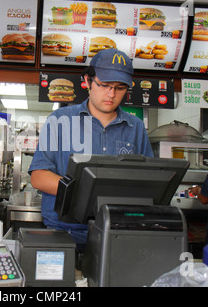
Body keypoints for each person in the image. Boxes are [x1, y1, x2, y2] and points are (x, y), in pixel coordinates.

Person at [29, 48, 154, 249]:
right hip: (64, 233)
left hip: (117, 234)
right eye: (104, 85)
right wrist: (90, 191)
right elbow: (39, 177)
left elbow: (150, 181)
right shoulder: (59, 120)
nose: (111, 94)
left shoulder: (136, 127)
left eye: (120, 88)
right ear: (88, 81)